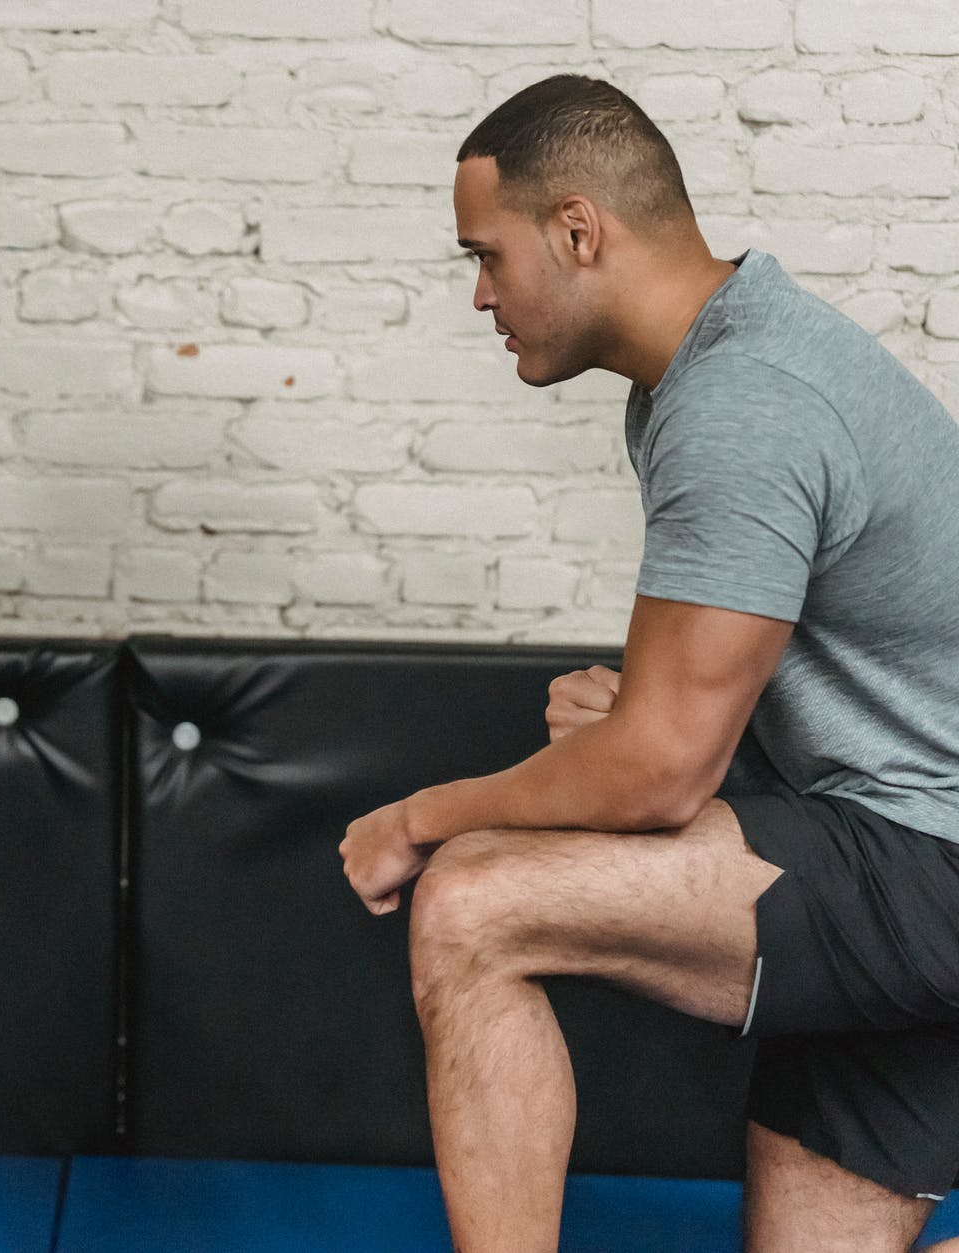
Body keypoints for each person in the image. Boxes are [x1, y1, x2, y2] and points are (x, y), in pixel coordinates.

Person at [338, 75, 959, 1252]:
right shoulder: (722, 366)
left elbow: (657, 776)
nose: (479, 295)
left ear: (578, 231)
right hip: (893, 845)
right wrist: (648, 719)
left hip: (926, 864)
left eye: (487, 255)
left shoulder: (741, 398)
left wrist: (421, 814)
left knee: (470, 898)